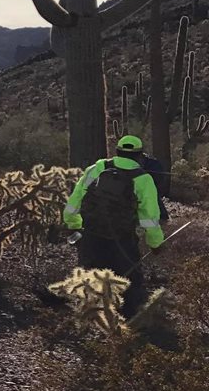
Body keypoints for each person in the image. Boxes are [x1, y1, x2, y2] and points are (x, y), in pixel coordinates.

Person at [63, 135, 164, 317]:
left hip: (92, 234)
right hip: (123, 239)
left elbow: (76, 199)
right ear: (139, 156)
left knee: (89, 278)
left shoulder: (97, 168)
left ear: (117, 152)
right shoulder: (143, 179)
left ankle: (87, 318)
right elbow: (150, 217)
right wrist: (155, 243)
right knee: (128, 282)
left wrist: (73, 224)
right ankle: (128, 325)